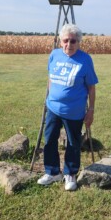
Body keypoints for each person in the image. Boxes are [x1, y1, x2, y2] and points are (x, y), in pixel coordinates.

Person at [37, 24, 98, 191]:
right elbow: (50, 78)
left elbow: (91, 87)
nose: (69, 44)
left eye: (73, 41)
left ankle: (70, 173)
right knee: (49, 140)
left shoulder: (85, 60)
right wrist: (49, 98)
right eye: (65, 40)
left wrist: (91, 110)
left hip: (74, 111)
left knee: (73, 143)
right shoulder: (54, 55)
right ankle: (52, 172)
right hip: (53, 109)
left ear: (78, 42)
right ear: (60, 41)